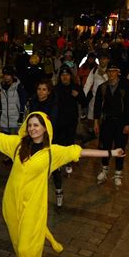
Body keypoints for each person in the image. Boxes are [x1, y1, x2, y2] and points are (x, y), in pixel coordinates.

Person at [0, 93, 124, 257]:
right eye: (30, 125)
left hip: (34, 208)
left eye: (37, 125)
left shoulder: (52, 153)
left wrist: (111, 151)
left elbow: (80, 152)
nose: (33, 129)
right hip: (11, 204)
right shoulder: (18, 145)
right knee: (18, 243)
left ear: (45, 128)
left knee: (29, 247)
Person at [51, 66, 88, 211]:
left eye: (67, 75)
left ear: (70, 76)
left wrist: (77, 95)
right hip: (58, 122)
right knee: (58, 144)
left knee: (69, 142)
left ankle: (68, 163)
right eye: (62, 75)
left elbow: (84, 102)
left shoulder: (76, 87)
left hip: (71, 122)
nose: (65, 77)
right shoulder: (56, 89)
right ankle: (60, 164)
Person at [94, 63, 129, 187]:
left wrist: (128, 123)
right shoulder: (103, 87)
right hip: (107, 122)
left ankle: (118, 173)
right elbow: (97, 106)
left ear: (118, 72)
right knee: (105, 147)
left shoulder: (124, 86)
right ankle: (104, 170)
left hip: (121, 122)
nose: (111, 73)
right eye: (109, 71)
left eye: (113, 71)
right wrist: (96, 121)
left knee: (120, 148)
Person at [83, 51, 110, 139]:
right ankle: (91, 131)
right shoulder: (94, 70)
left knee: (104, 117)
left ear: (108, 60)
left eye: (104, 59)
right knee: (91, 115)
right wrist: (83, 96)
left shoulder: (111, 70)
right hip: (95, 98)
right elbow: (88, 83)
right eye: (101, 59)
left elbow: (112, 83)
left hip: (107, 99)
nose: (102, 61)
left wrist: (104, 75)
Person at [0, 66, 27, 134]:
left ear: (12, 75)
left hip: (16, 120)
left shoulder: (18, 87)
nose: (6, 77)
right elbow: (1, 102)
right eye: (4, 75)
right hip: (4, 120)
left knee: (16, 141)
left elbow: (23, 102)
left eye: (8, 75)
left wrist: (21, 116)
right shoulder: (1, 87)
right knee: (6, 142)